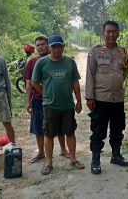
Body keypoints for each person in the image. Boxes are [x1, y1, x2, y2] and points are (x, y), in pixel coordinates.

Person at [31, 35, 84, 175]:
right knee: (49, 134)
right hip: (50, 105)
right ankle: (49, 163)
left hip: (67, 104)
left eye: (59, 46)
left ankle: (73, 159)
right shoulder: (41, 63)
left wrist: (78, 101)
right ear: (49, 47)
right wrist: (45, 92)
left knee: (70, 132)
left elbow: (75, 83)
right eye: (53, 46)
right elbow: (34, 82)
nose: (56, 49)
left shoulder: (69, 62)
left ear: (63, 47)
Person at [85, 20, 128, 175]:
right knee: (98, 130)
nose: (111, 34)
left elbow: (125, 71)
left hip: (118, 99)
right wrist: (89, 97)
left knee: (118, 129)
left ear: (118, 33)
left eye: (114, 31)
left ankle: (116, 155)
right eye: (108, 31)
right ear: (103, 33)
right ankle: (95, 160)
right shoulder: (95, 52)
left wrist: (117, 83)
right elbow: (90, 75)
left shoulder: (122, 52)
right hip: (100, 99)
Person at [24, 36, 70, 163]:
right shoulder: (32, 62)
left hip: (56, 101)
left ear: (48, 45)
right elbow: (29, 83)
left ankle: (63, 149)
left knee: (60, 126)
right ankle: (41, 152)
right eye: (38, 45)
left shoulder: (58, 60)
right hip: (38, 100)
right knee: (39, 127)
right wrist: (28, 101)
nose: (40, 47)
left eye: (43, 44)